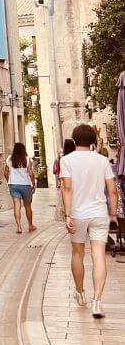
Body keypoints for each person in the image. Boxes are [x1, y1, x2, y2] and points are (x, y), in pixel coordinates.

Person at [60, 123, 118, 318]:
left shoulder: (66, 160)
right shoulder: (101, 160)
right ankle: (97, 302)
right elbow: (111, 189)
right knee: (98, 255)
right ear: (93, 140)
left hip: (77, 213)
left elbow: (66, 189)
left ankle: (80, 293)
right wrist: (113, 214)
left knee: (77, 254)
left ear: (74, 140)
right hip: (100, 213)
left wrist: (67, 215)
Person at [3, 142, 36, 234]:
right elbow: (30, 173)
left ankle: (19, 226)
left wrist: (9, 182)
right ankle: (30, 225)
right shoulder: (26, 159)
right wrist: (33, 183)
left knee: (16, 206)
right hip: (25, 185)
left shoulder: (9, 159)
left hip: (13, 185)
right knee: (28, 206)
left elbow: (5, 173)